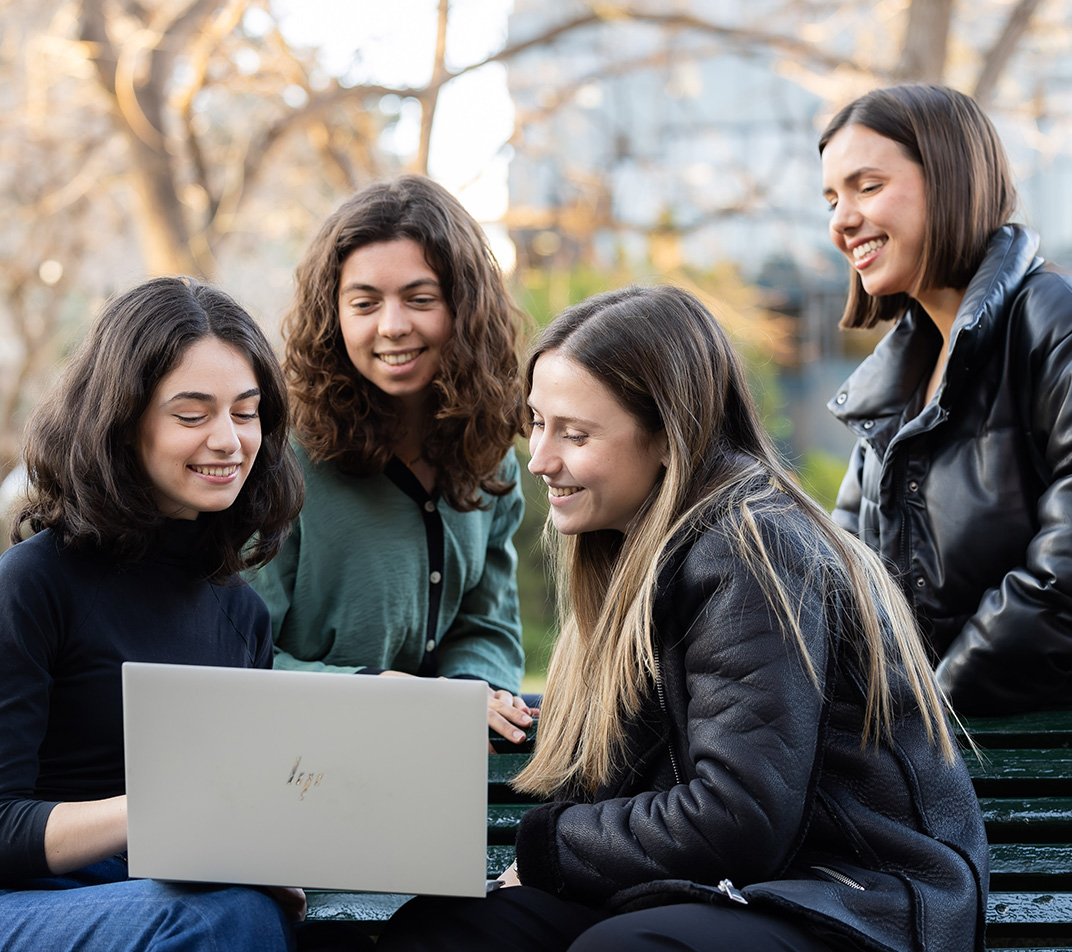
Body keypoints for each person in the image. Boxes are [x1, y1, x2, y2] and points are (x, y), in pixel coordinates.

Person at [375, 285, 988, 952]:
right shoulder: (632, 542)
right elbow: (656, 744)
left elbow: (740, 816)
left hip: (853, 897)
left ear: (669, 436)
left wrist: (550, 845)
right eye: (537, 423)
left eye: (574, 434)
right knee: (447, 935)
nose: (541, 458)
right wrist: (477, 719)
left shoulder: (754, 549)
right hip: (727, 890)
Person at [0, 276, 307, 951]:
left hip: (170, 897)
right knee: (213, 921)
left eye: (246, 412)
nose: (228, 440)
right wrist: (163, 814)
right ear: (121, 420)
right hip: (32, 900)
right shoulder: (33, 583)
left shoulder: (242, 614)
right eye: (193, 414)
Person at [249, 175, 535, 744]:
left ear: (464, 307)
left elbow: (488, 624)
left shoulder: (491, 460)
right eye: (365, 303)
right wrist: (386, 696)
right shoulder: (279, 462)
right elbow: (239, 658)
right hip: (297, 764)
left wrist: (471, 689)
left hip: (436, 769)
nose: (393, 325)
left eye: (420, 298)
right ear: (333, 317)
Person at [820, 82, 1072, 714]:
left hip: (1021, 758)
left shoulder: (1050, 321)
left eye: (867, 187)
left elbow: (1063, 578)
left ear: (951, 180)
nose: (841, 221)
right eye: (830, 198)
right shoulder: (891, 386)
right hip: (929, 761)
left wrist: (926, 710)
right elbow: (838, 584)